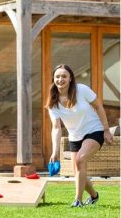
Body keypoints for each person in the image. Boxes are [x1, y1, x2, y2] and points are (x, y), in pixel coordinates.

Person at [46, 64, 114, 208]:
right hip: (74, 136)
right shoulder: (53, 102)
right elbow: (56, 128)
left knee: (80, 160)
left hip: (94, 130)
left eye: (64, 76)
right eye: (57, 76)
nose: (60, 79)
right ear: (53, 79)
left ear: (70, 78)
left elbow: (99, 106)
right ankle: (94, 196)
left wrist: (106, 130)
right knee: (77, 170)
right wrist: (55, 152)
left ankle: (78, 200)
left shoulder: (81, 90)